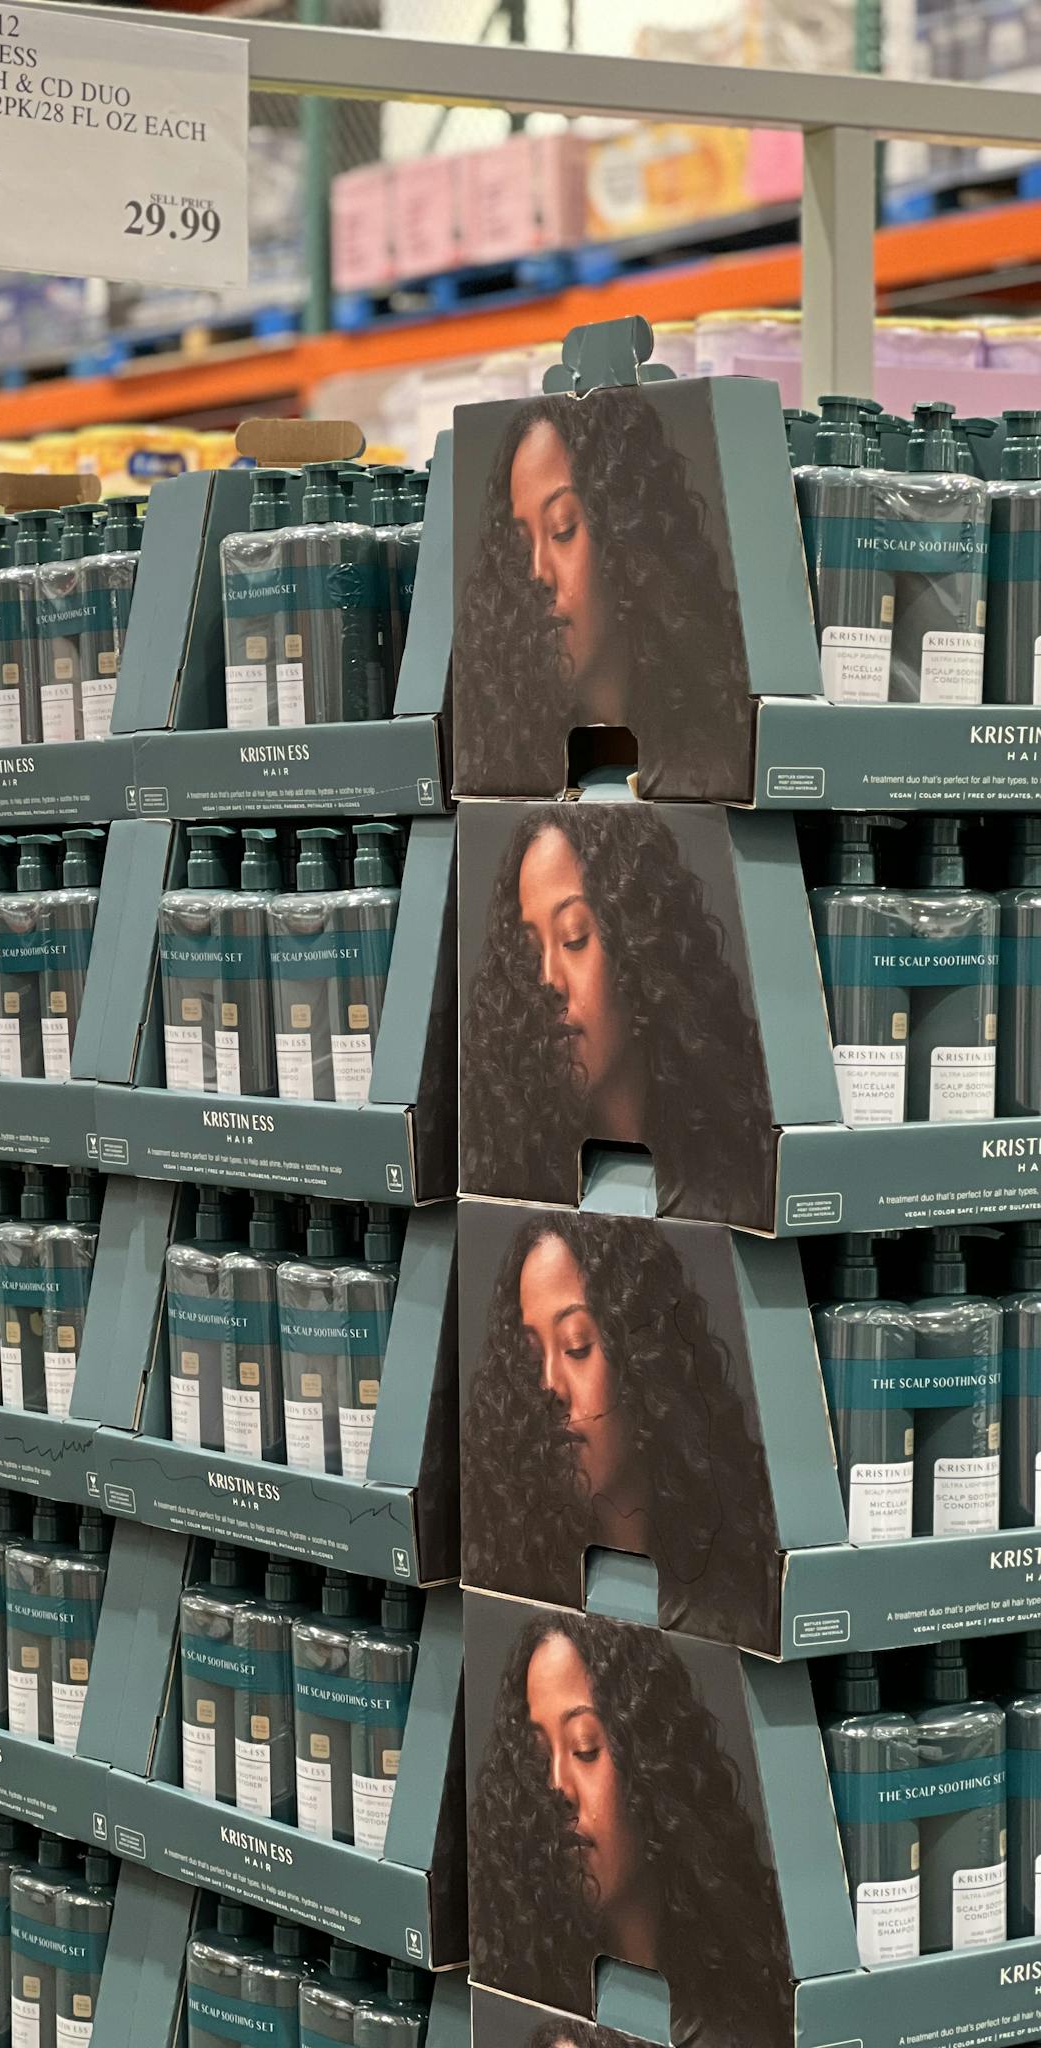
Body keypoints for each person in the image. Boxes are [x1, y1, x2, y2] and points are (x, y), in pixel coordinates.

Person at [470, 1613, 792, 2048]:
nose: (556, 1787)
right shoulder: (544, 2008)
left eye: (585, 1748)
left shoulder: (740, 2028)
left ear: (652, 1766)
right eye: (536, 1757)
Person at [461, 1214, 779, 1648]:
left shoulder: (740, 1604)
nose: (548, 1384)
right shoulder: (512, 1590)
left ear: (644, 1360)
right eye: (530, 1358)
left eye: (576, 1346)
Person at [460, 803, 773, 1228]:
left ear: (640, 944)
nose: (548, 980)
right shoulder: (514, 1185)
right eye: (530, 953)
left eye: (574, 937)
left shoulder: (739, 1187)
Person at [454, 389, 752, 800]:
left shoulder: (713, 772)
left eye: (562, 529)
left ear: (626, 537)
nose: (537, 572)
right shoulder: (510, 774)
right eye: (521, 548)